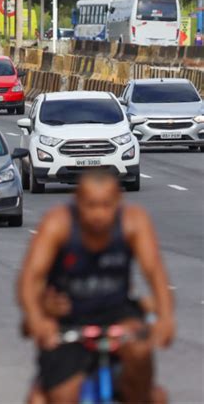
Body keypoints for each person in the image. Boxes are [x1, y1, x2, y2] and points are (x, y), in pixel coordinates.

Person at [18, 170, 175, 404]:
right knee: (58, 397)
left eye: (106, 205)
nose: (99, 214)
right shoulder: (58, 223)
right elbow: (29, 279)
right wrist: (37, 318)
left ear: (118, 203)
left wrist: (165, 317)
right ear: (77, 202)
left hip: (117, 313)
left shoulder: (133, 221)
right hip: (68, 318)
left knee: (143, 361)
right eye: (91, 205)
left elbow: (155, 271)